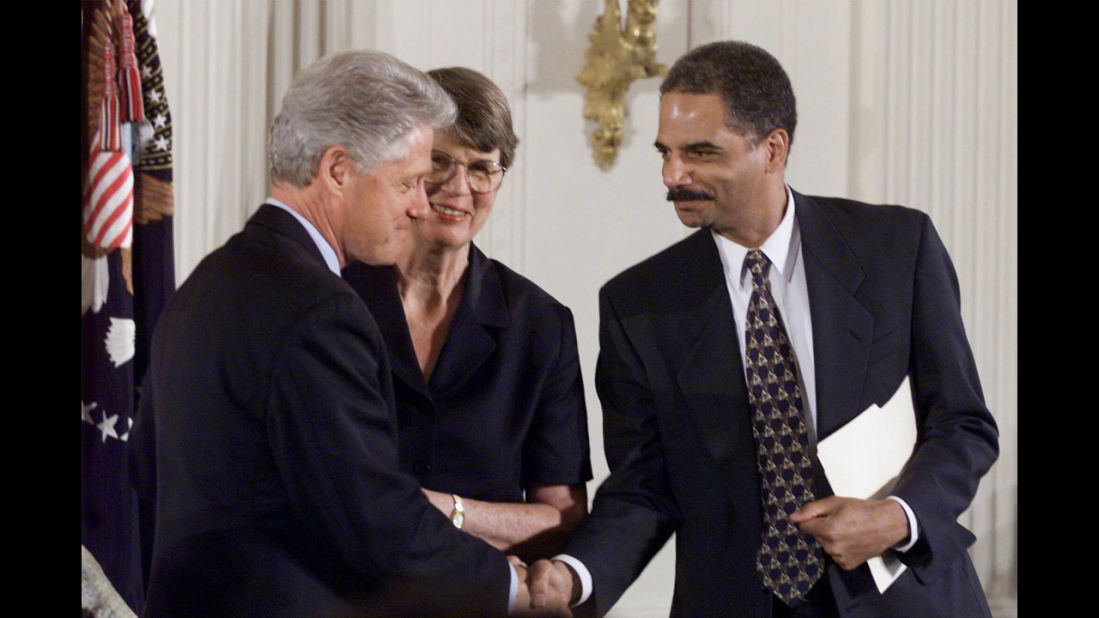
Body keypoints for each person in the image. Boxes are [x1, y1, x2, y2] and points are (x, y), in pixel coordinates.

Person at [528, 40, 999, 617]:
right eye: (666, 153)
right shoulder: (638, 304)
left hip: (905, 600)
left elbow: (964, 425)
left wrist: (896, 517)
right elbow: (644, 486)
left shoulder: (897, 249)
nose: (674, 175)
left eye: (699, 152)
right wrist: (576, 577)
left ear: (772, 149)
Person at [129, 51, 533, 617]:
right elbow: (375, 520)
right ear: (339, 170)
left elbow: (146, 467)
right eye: (411, 183)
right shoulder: (321, 310)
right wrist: (510, 587)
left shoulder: (206, 281)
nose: (422, 206)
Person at [342, 66, 592, 562]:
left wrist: (446, 511)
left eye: (481, 167)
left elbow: (562, 518)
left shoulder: (540, 324)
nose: (459, 188)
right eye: (439, 162)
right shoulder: (332, 301)